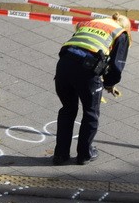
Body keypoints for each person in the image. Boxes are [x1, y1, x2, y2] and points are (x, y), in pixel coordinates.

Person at [52, 13, 132, 165]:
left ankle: (60, 154)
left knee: (67, 109)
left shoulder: (91, 23)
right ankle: (84, 154)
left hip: (63, 66)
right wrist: (109, 84)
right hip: (87, 70)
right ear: (126, 27)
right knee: (90, 113)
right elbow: (116, 67)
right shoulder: (121, 34)